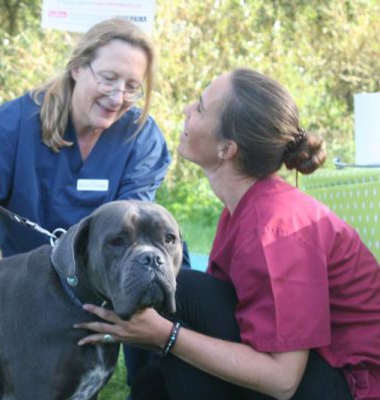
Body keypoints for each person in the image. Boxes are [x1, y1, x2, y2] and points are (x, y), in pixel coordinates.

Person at [0, 18, 189, 396]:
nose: (118, 96)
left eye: (132, 86)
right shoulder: (15, 122)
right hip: (29, 292)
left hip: (108, 284)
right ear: (78, 67)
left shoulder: (140, 135)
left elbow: (139, 220)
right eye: (108, 78)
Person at [75, 68, 380, 400]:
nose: (186, 110)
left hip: (350, 387)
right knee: (155, 380)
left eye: (201, 108)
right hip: (315, 373)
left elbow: (283, 380)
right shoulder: (246, 206)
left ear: (227, 149)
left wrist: (166, 335)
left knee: (185, 301)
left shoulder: (277, 228)